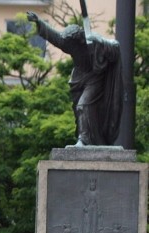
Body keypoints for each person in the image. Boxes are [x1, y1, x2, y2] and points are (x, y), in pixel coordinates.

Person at [27, 11, 122, 146]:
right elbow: (55, 37)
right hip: (78, 79)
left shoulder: (93, 41)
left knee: (83, 105)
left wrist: (100, 41)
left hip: (95, 79)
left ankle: (83, 140)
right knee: (80, 111)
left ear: (80, 40)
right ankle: (95, 140)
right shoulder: (68, 42)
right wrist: (38, 21)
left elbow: (115, 47)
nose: (68, 46)